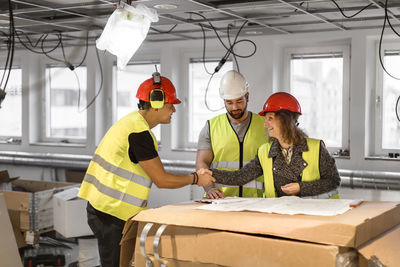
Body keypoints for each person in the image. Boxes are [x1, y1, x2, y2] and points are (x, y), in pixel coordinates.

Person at [78, 72, 215, 267]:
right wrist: (196, 179)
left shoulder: (132, 123)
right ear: (157, 103)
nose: (173, 110)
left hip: (106, 210)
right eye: (170, 105)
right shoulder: (138, 133)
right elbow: (162, 180)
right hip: (111, 214)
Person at [205, 92, 340, 199]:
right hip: (280, 218)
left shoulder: (316, 148)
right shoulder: (265, 152)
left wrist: (301, 187)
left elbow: (333, 181)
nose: (265, 124)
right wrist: (211, 173)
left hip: (315, 219)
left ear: (285, 120)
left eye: (270, 118)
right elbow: (241, 177)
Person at [196, 70, 267, 199]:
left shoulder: (266, 125)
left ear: (247, 96)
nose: (234, 107)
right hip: (220, 199)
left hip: (256, 201)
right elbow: (202, 163)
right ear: (223, 100)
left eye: (239, 101)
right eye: (229, 102)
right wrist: (210, 189)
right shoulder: (211, 127)